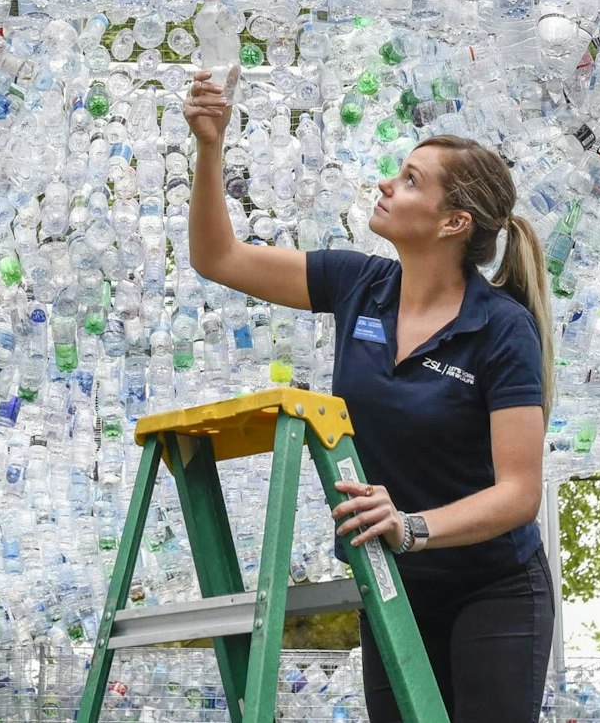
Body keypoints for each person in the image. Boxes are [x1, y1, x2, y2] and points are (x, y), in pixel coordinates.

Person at [182, 70, 555, 723]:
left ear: (453, 222)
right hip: (392, 589)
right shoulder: (358, 284)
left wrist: (412, 525)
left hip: (491, 589)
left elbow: (519, 493)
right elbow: (218, 258)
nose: (386, 183)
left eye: (411, 179)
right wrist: (209, 146)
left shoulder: (501, 328)